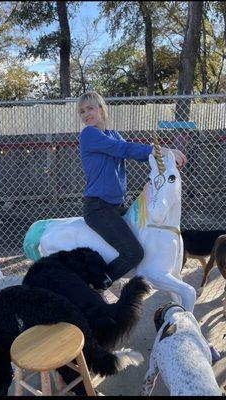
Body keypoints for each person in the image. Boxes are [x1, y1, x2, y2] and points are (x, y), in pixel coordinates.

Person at [78, 91, 187, 288]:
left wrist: (164, 157)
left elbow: (132, 151)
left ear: (102, 109)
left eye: (90, 108)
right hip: (98, 208)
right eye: (82, 111)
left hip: (117, 206)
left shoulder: (113, 135)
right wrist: (160, 150)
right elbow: (123, 149)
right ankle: (98, 285)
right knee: (134, 253)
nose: (86, 114)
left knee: (144, 242)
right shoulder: (89, 134)